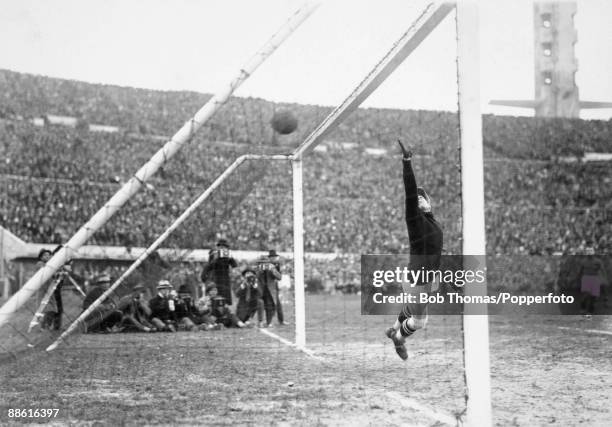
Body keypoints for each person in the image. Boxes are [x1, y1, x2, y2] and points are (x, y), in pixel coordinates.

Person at [385, 141, 443, 360]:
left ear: (428, 203)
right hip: (418, 277)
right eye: (416, 199)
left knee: (413, 309)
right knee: (420, 321)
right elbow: (410, 192)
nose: (419, 199)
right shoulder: (415, 219)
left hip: (425, 277)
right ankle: (398, 337)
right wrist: (407, 163)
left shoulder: (433, 221)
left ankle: (393, 328)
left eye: (422, 197)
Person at [200, 239, 237, 305]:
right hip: (216, 279)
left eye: (224, 247)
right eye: (221, 246)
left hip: (225, 280)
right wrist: (216, 258)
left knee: (225, 300)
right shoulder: (214, 253)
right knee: (215, 299)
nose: (222, 248)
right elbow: (209, 266)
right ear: (218, 247)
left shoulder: (227, 255)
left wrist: (230, 257)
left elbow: (234, 265)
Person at [578, 246, 608, 318]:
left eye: (591, 251)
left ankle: (590, 311)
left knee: (594, 296)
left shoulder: (598, 261)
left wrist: (604, 278)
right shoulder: (583, 261)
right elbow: (580, 271)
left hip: (595, 278)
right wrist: (579, 278)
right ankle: (583, 307)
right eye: (588, 251)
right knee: (586, 294)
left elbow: (603, 270)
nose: (589, 253)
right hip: (586, 278)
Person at [256, 252, 283, 327]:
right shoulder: (257, 268)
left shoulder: (272, 267)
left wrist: (272, 270)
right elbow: (255, 276)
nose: (264, 265)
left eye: (265, 263)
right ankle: (260, 321)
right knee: (260, 304)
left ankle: (269, 322)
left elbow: (279, 277)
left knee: (270, 306)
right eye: (262, 263)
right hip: (260, 289)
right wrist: (260, 271)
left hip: (269, 290)